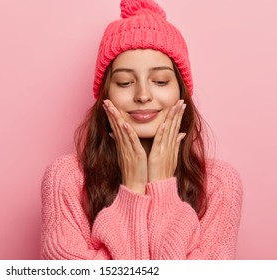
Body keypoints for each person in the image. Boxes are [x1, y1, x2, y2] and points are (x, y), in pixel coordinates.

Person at [40, 0, 243, 259]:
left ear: (180, 91)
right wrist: (133, 190)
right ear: (105, 94)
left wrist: (162, 187)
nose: (143, 95)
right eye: (125, 82)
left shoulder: (219, 185)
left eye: (160, 81)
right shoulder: (66, 179)